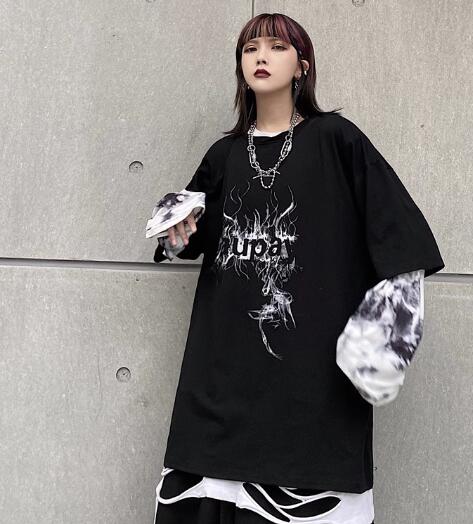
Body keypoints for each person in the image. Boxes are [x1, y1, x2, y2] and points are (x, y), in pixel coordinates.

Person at [149, 12, 444, 524]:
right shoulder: (225, 154)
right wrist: (176, 229)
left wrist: (387, 334)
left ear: (302, 65)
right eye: (250, 49)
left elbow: (399, 235)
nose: (261, 56)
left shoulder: (336, 139)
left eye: (276, 46)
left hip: (310, 382)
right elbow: (186, 240)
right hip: (221, 378)